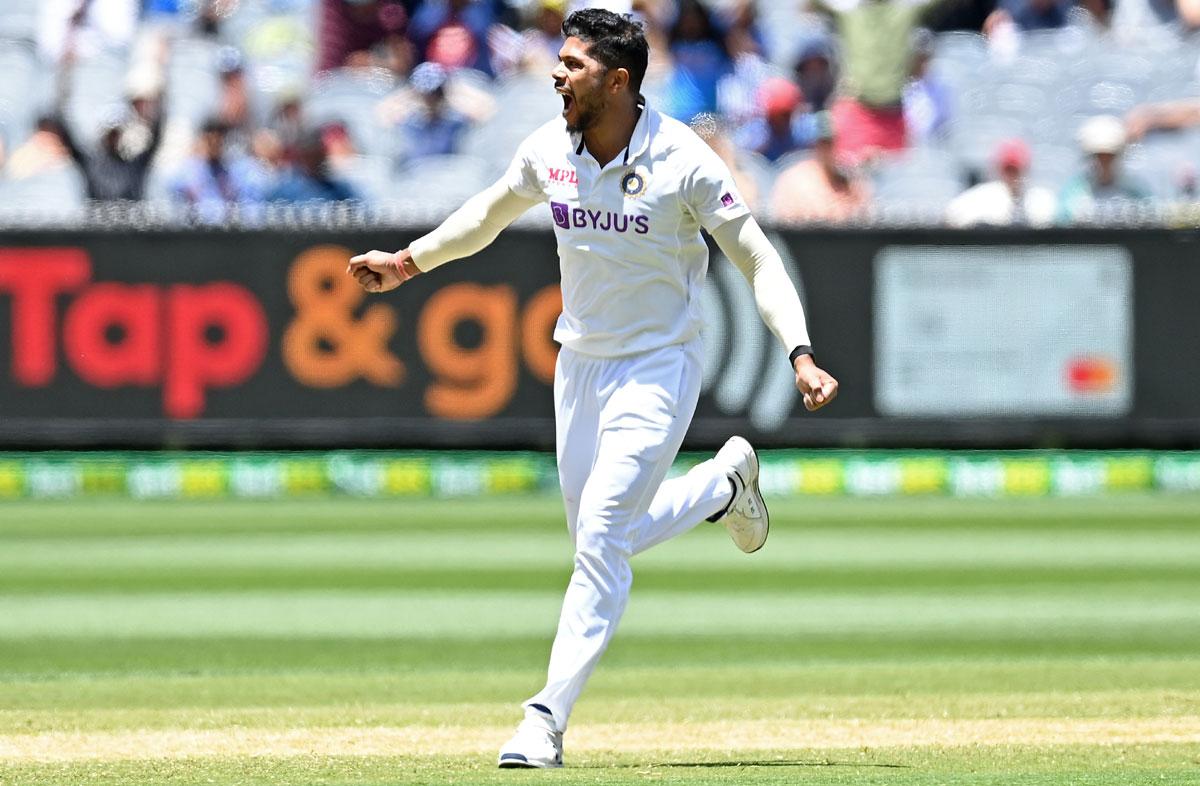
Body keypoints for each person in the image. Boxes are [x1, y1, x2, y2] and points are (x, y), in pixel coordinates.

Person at [346, 9, 838, 768]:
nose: (555, 74)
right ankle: (718, 489)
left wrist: (799, 352)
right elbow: (487, 214)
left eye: (572, 65)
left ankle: (543, 719)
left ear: (617, 80)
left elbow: (758, 259)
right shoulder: (549, 147)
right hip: (579, 367)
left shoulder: (686, 159)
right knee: (605, 541)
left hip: (658, 367)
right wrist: (407, 263)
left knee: (604, 537)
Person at [770, 111, 871, 224]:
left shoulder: (854, 182)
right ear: (815, 145)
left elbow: (865, 220)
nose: (831, 149)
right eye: (824, 144)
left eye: (835, 142)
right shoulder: (795, 180)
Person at [1058, 114, 1149, 223]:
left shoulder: (1135, 193)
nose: (1103, 162)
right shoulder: (1073, 193)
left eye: (1109, 156)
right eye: (1098, 156)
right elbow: (1063, 223)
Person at [945, 138, 1055, 226]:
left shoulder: (1041, 199)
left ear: (1025, 170)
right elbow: (950, 217)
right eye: (1008, 170)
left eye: (1016, 170)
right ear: (998, 169)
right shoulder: (981, 197)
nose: (1012, 176)